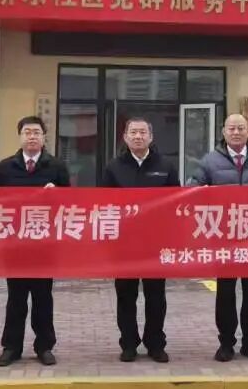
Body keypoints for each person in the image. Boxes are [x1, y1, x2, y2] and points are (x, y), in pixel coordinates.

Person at [187, 113, 248, 363]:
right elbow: (192, 188)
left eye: (241, 128)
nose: (236, 132)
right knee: (225, 292)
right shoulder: (210, 160)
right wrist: (199, 191)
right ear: (224, 132)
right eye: (232, 128)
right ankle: (226, 343)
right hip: (224, 237)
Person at [0, 116, 70, 366]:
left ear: (44, 137)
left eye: (36, 132)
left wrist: (58, 194)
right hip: (15, 244)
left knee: (43, 298)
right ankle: (11, 347)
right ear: (20, 136)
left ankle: (44, 346)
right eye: (27, 132)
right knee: (16, 299)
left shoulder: (56, 166)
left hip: (44, 244)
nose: (32, 136)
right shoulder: (6, 167)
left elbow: (71, 202)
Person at [103, 117, 180, 363]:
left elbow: (176, 202)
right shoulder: (113, 167)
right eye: (133, 132)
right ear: (125, 137)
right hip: (124, 244)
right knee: (126, 296)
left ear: (151, 137)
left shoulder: (165, 166)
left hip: (155, 244)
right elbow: (103, 204)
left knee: (156, 297)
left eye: (143, 132)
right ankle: (128, 344)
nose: (138, 136)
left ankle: (155, 344)